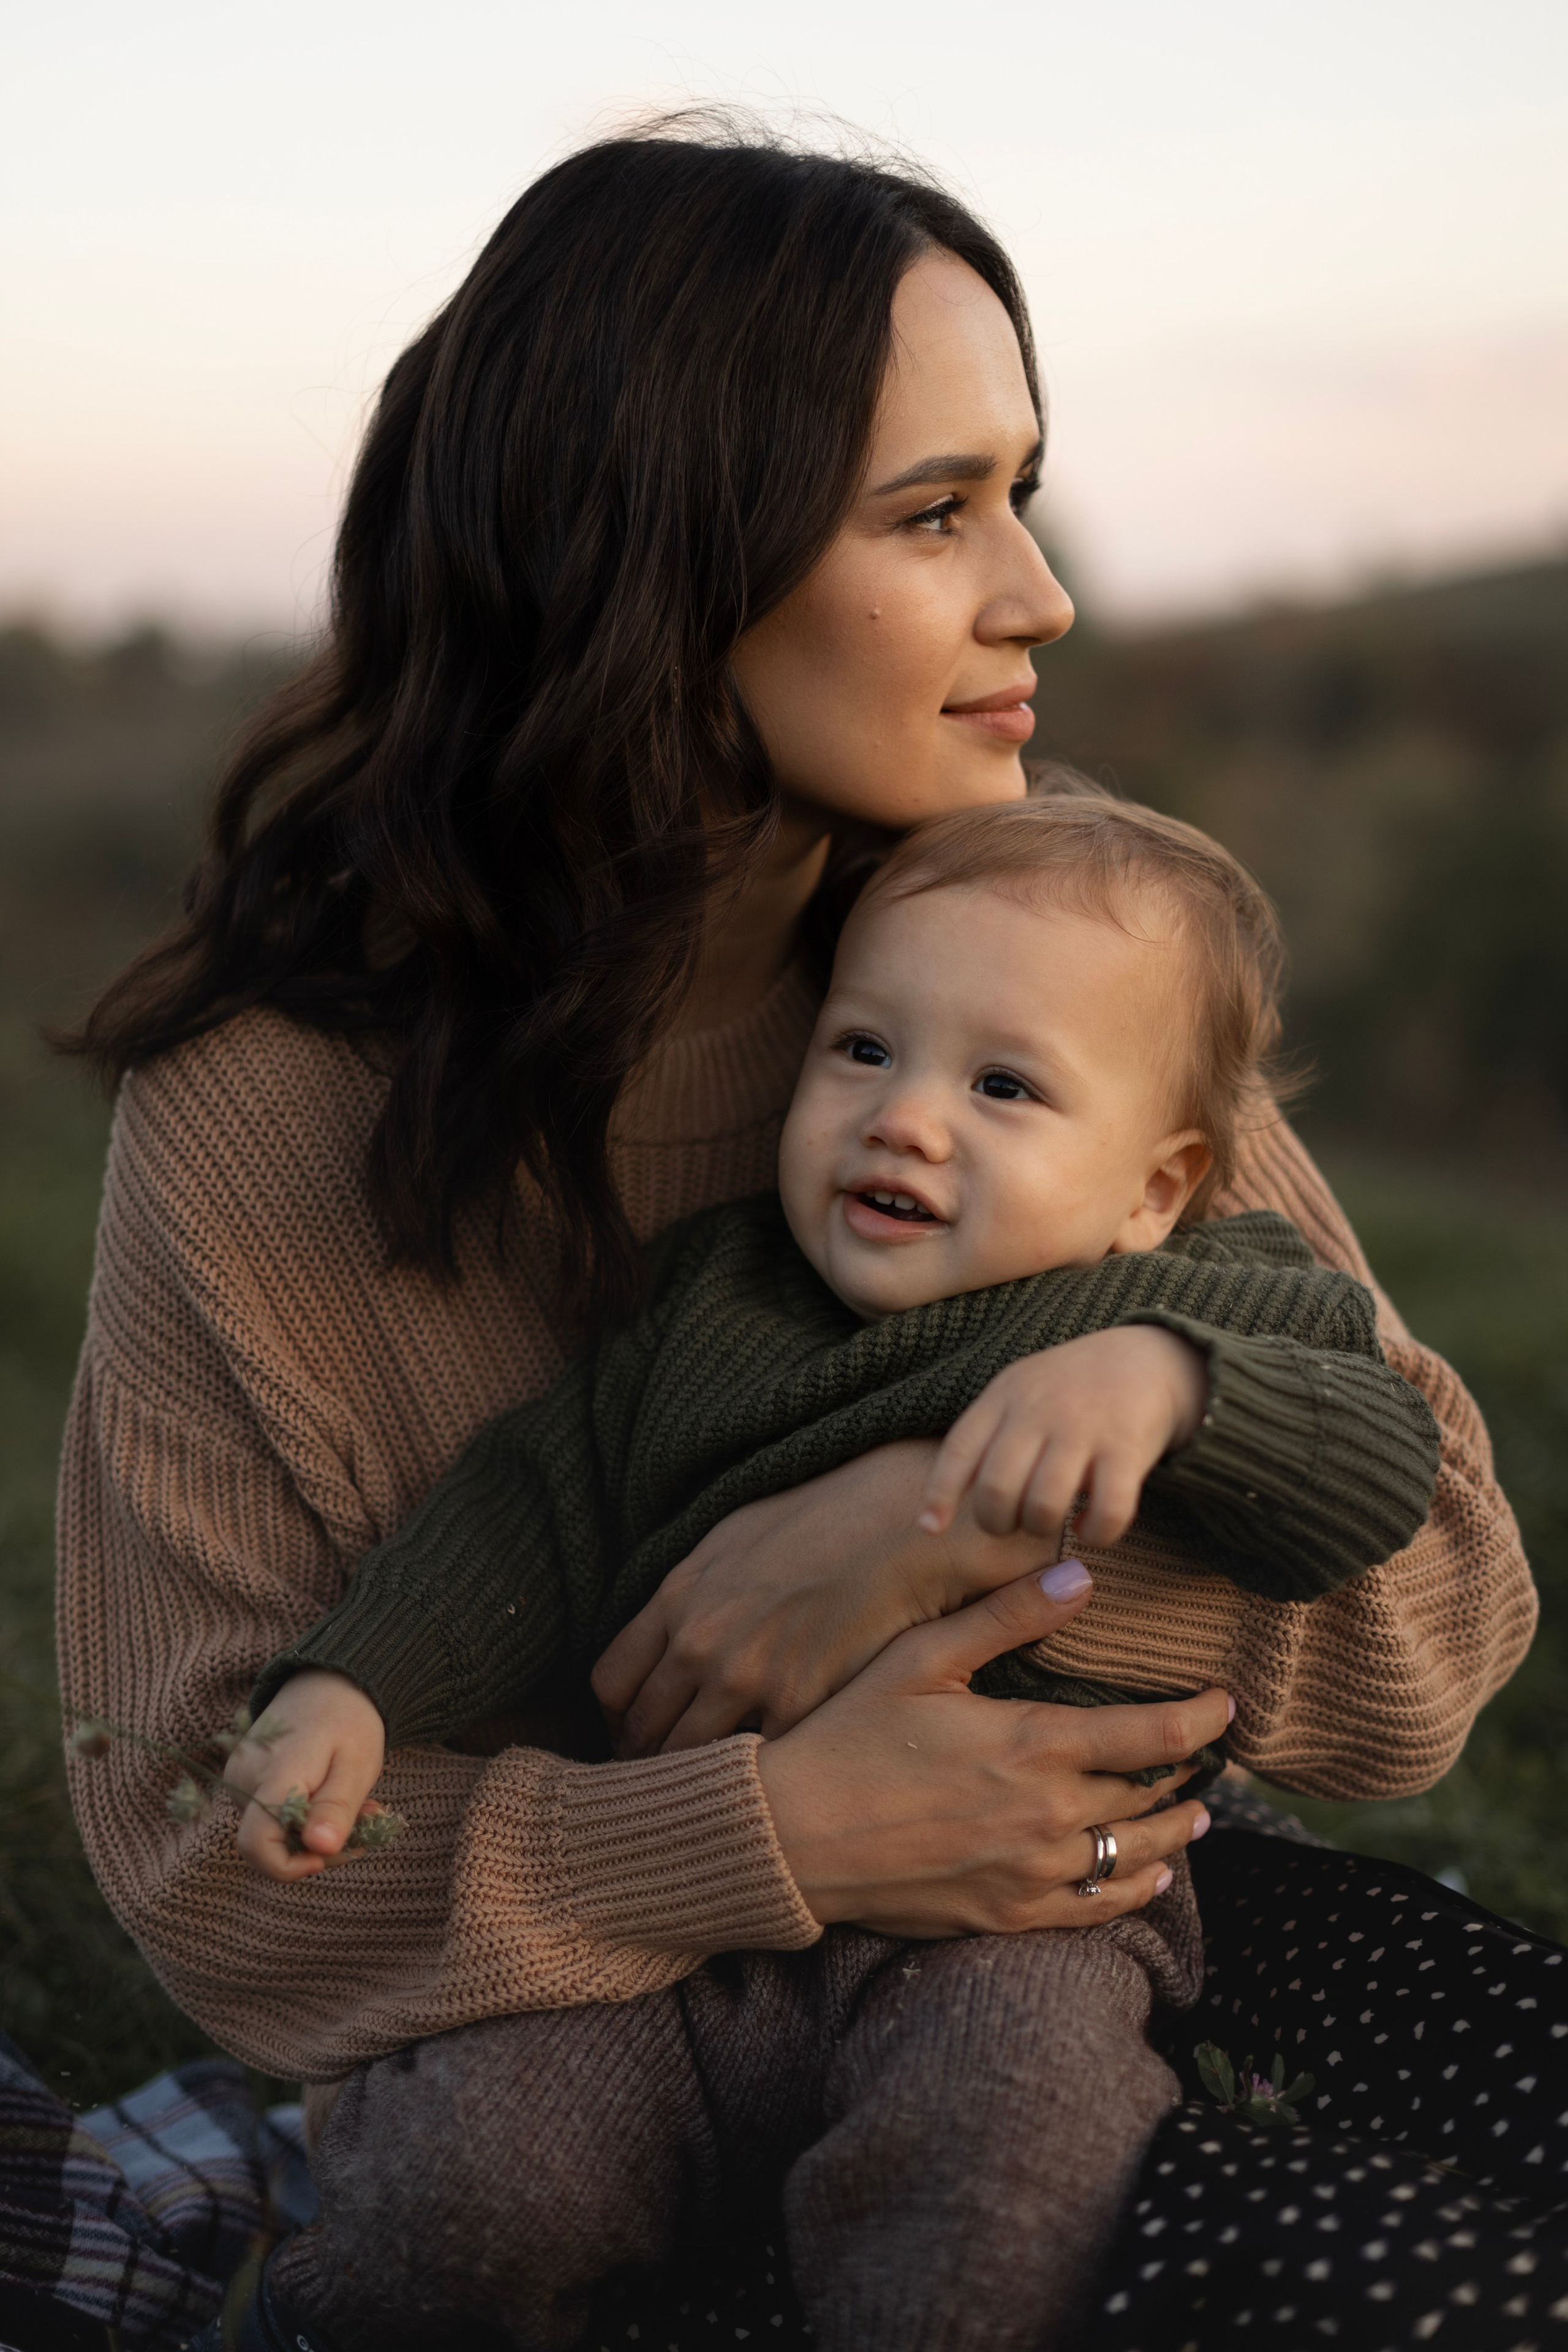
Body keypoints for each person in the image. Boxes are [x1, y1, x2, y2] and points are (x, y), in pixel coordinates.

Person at [55, 124, 1536, 2352]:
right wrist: (781, 1827)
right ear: (650, 557)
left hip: (1057, 1954)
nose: (1039, 591)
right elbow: (212, 1867)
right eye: (936, 513)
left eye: (1019, 493)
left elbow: (1433, 1644)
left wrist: (928, 1535)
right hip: (560, 2050)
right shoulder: (264, 1117)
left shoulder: (1032, 956)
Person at [233, 795, 1441, 1914]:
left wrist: (1174, 1385)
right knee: (498, 2123)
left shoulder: (1199, 1300)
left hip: (1030, 1912)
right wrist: (357, 1685)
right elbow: (528, 1513)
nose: (902, 1118)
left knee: (1006, 2108)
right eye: (863, 1049)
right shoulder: (720, 1292)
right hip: (710, 1911)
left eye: (1002, 1085)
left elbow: (1380, 1463)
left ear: (1155, 1186)